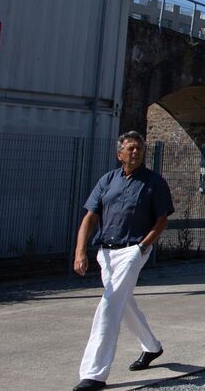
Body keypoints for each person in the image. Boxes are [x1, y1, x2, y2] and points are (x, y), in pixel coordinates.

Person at [72, 131, 174, 391]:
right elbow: (90, 217)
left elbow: (161, 220)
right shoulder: (107, 180)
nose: (136, 152)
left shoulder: (154, 182)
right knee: (123, 301)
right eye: (130, 148)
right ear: (120, 154)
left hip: (133, 250)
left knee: (109, 304)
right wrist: (80, 251)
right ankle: (152, 347)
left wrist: (141, 247)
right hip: (106, 252)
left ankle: (94, 374)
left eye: (139, 148)